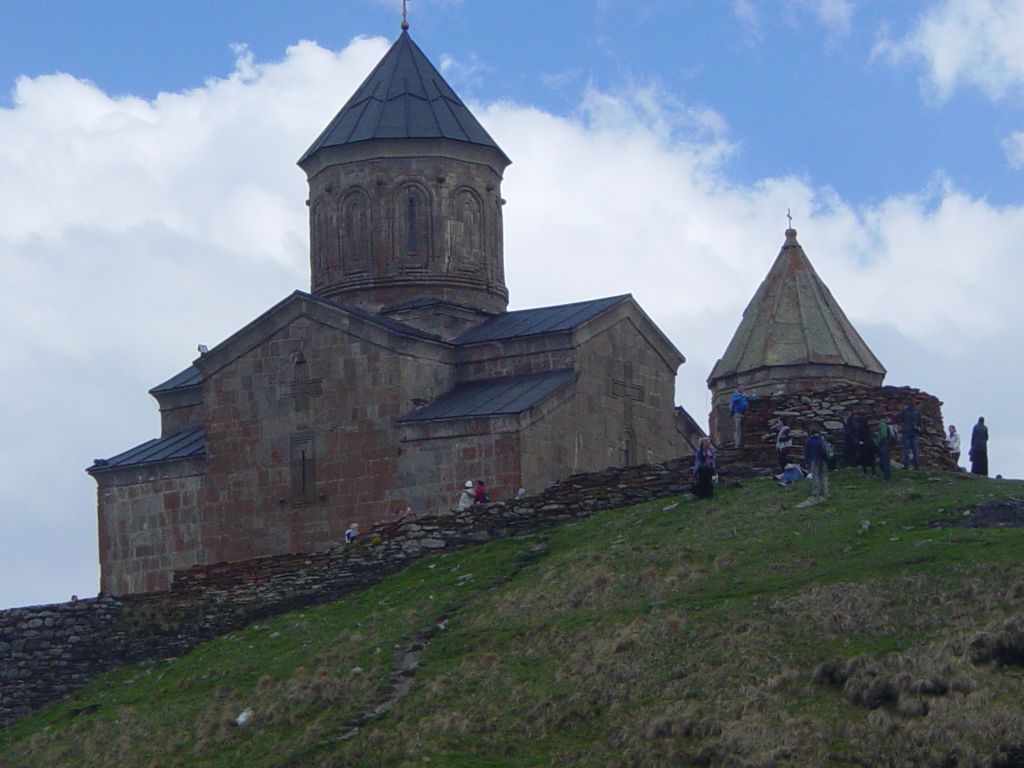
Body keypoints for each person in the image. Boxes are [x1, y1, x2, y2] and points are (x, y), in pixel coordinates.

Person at [804, 427, 830, 499]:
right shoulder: (822, 439)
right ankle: (825, 491)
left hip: (815, 460)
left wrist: (806, 461)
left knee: (815, 477)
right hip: (824, 460)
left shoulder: (809, 441)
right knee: (824, 476)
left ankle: (816, 492)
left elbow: (807, 452)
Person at [898, 402, 922, 470]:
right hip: (915, 432)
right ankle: (917, 466)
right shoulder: (917, 413)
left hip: (906, 432)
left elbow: (895, 416)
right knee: (916, 450)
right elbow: (920, 424)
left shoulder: (905, 412)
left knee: (906, 449)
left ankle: (906, 465)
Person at [875, 416, 893, 482]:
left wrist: (877, 442)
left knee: (885, 461)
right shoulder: (885, 424)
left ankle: (887, 478)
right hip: (886, 445)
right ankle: (886, 476)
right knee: (884, 461)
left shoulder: (882, 425)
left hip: (883, 445)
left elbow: (883, 435)